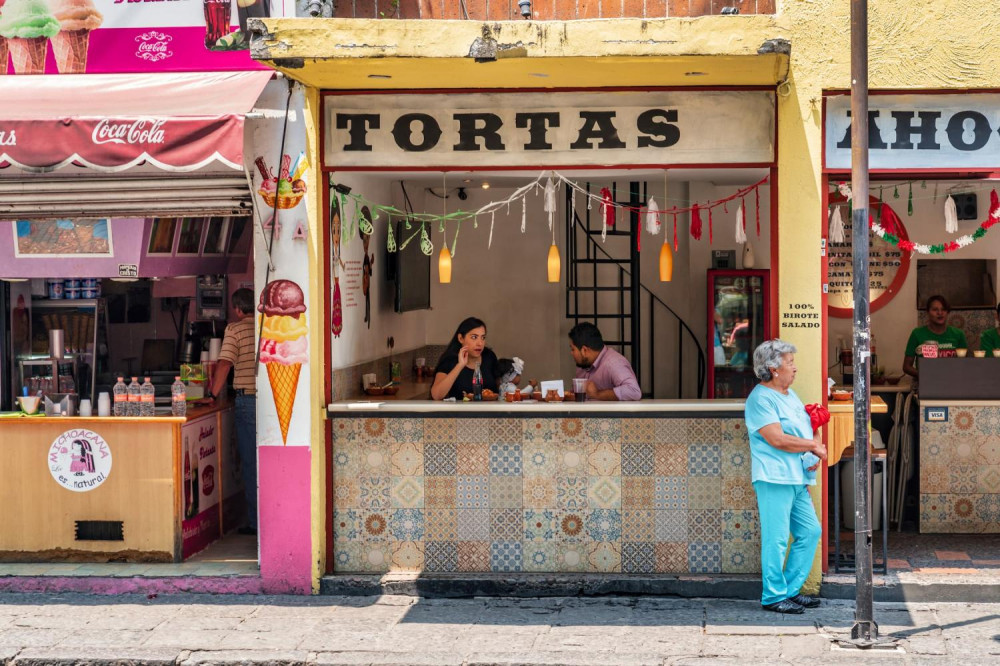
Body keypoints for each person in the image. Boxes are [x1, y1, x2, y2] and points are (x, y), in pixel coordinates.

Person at [744, 339, 826, 614]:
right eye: (790, 363)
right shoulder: (760, 398)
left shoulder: (791, 396)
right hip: (774, 478)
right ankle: (773, 596)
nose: (795, 368)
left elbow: (806, 429)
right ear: (773, 368)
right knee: (776, 539)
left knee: (810, 531)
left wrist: (813, 449)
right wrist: (813, 446)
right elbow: (776, 439)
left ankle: (790, 590)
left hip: (796, 477)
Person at [209, 288, 258, 536]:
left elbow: (225, 362)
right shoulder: (265, 326)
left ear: (238, 309)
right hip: (267, 401)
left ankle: (255, 523)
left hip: (247, 401)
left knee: (251, 462)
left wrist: (212, 394)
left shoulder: (234, 330)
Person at [569, 322, 641, 401]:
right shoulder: (583, 365)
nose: (571, 353)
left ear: (584, 350)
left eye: (573, 349)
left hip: (610, 413)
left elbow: (634, 391)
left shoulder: (613, 363)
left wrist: (597, 394)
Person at [431, 317, 499, 400]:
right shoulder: (449, 360)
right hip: (460, 412)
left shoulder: (489, 356)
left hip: (490, 411)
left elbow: (500, 387)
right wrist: (460, 365)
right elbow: (436, 395)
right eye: (474, 337)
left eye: (483, 337)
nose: (480, 343)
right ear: (460, 338)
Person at [903, 294, 967, 378]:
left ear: (947, 312)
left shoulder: (958, 334)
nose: (940, 313)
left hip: (952, 382)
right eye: (935, 309)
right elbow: (906, 367)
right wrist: (925, 375)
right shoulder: (917, 333)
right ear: (928, 312)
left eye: (943, 309)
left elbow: (965, 364)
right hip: (926, 384)